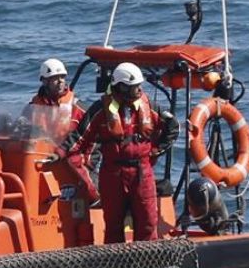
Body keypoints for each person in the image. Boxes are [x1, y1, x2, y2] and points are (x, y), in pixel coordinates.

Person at [63, 62, 178, 243]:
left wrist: (155, 151)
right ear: (123, 87)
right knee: (113, 225)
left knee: (147, 222)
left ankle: (148, 263)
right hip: (112, 173)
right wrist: (60, 152)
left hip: (142, 171)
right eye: (135, 87)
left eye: (140, 86)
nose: (140, 90)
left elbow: (173, 127)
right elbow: (81, 136)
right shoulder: (101, 110)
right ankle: (117, 266)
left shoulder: (150, 107)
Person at [28, 58, 101, 206]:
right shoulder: (33, 106)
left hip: (74, 153)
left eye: (62, 77)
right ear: (44, 81)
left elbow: (93, 135)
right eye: (55, 78)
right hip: (45, 155)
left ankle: (96, 199)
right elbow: (25, 130)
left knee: (75, 162)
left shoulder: (78, 108)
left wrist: (87, 160)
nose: (60, 81)